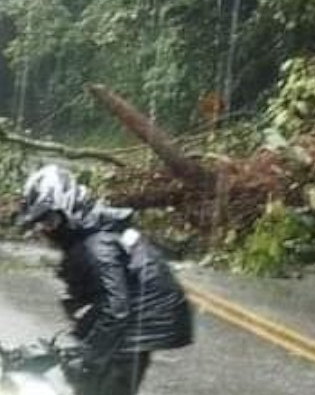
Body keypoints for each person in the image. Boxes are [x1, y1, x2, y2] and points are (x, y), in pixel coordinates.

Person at [18, 164, 193, 395]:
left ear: (67, 208)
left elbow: (117, 309)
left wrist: (89, 360)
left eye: (49, 220)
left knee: (101, 382)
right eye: (41, 223)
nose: (46, 229)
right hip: (135, 313)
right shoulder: (89, 228)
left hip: (142, 321)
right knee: (87, 376)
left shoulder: (97, 245)